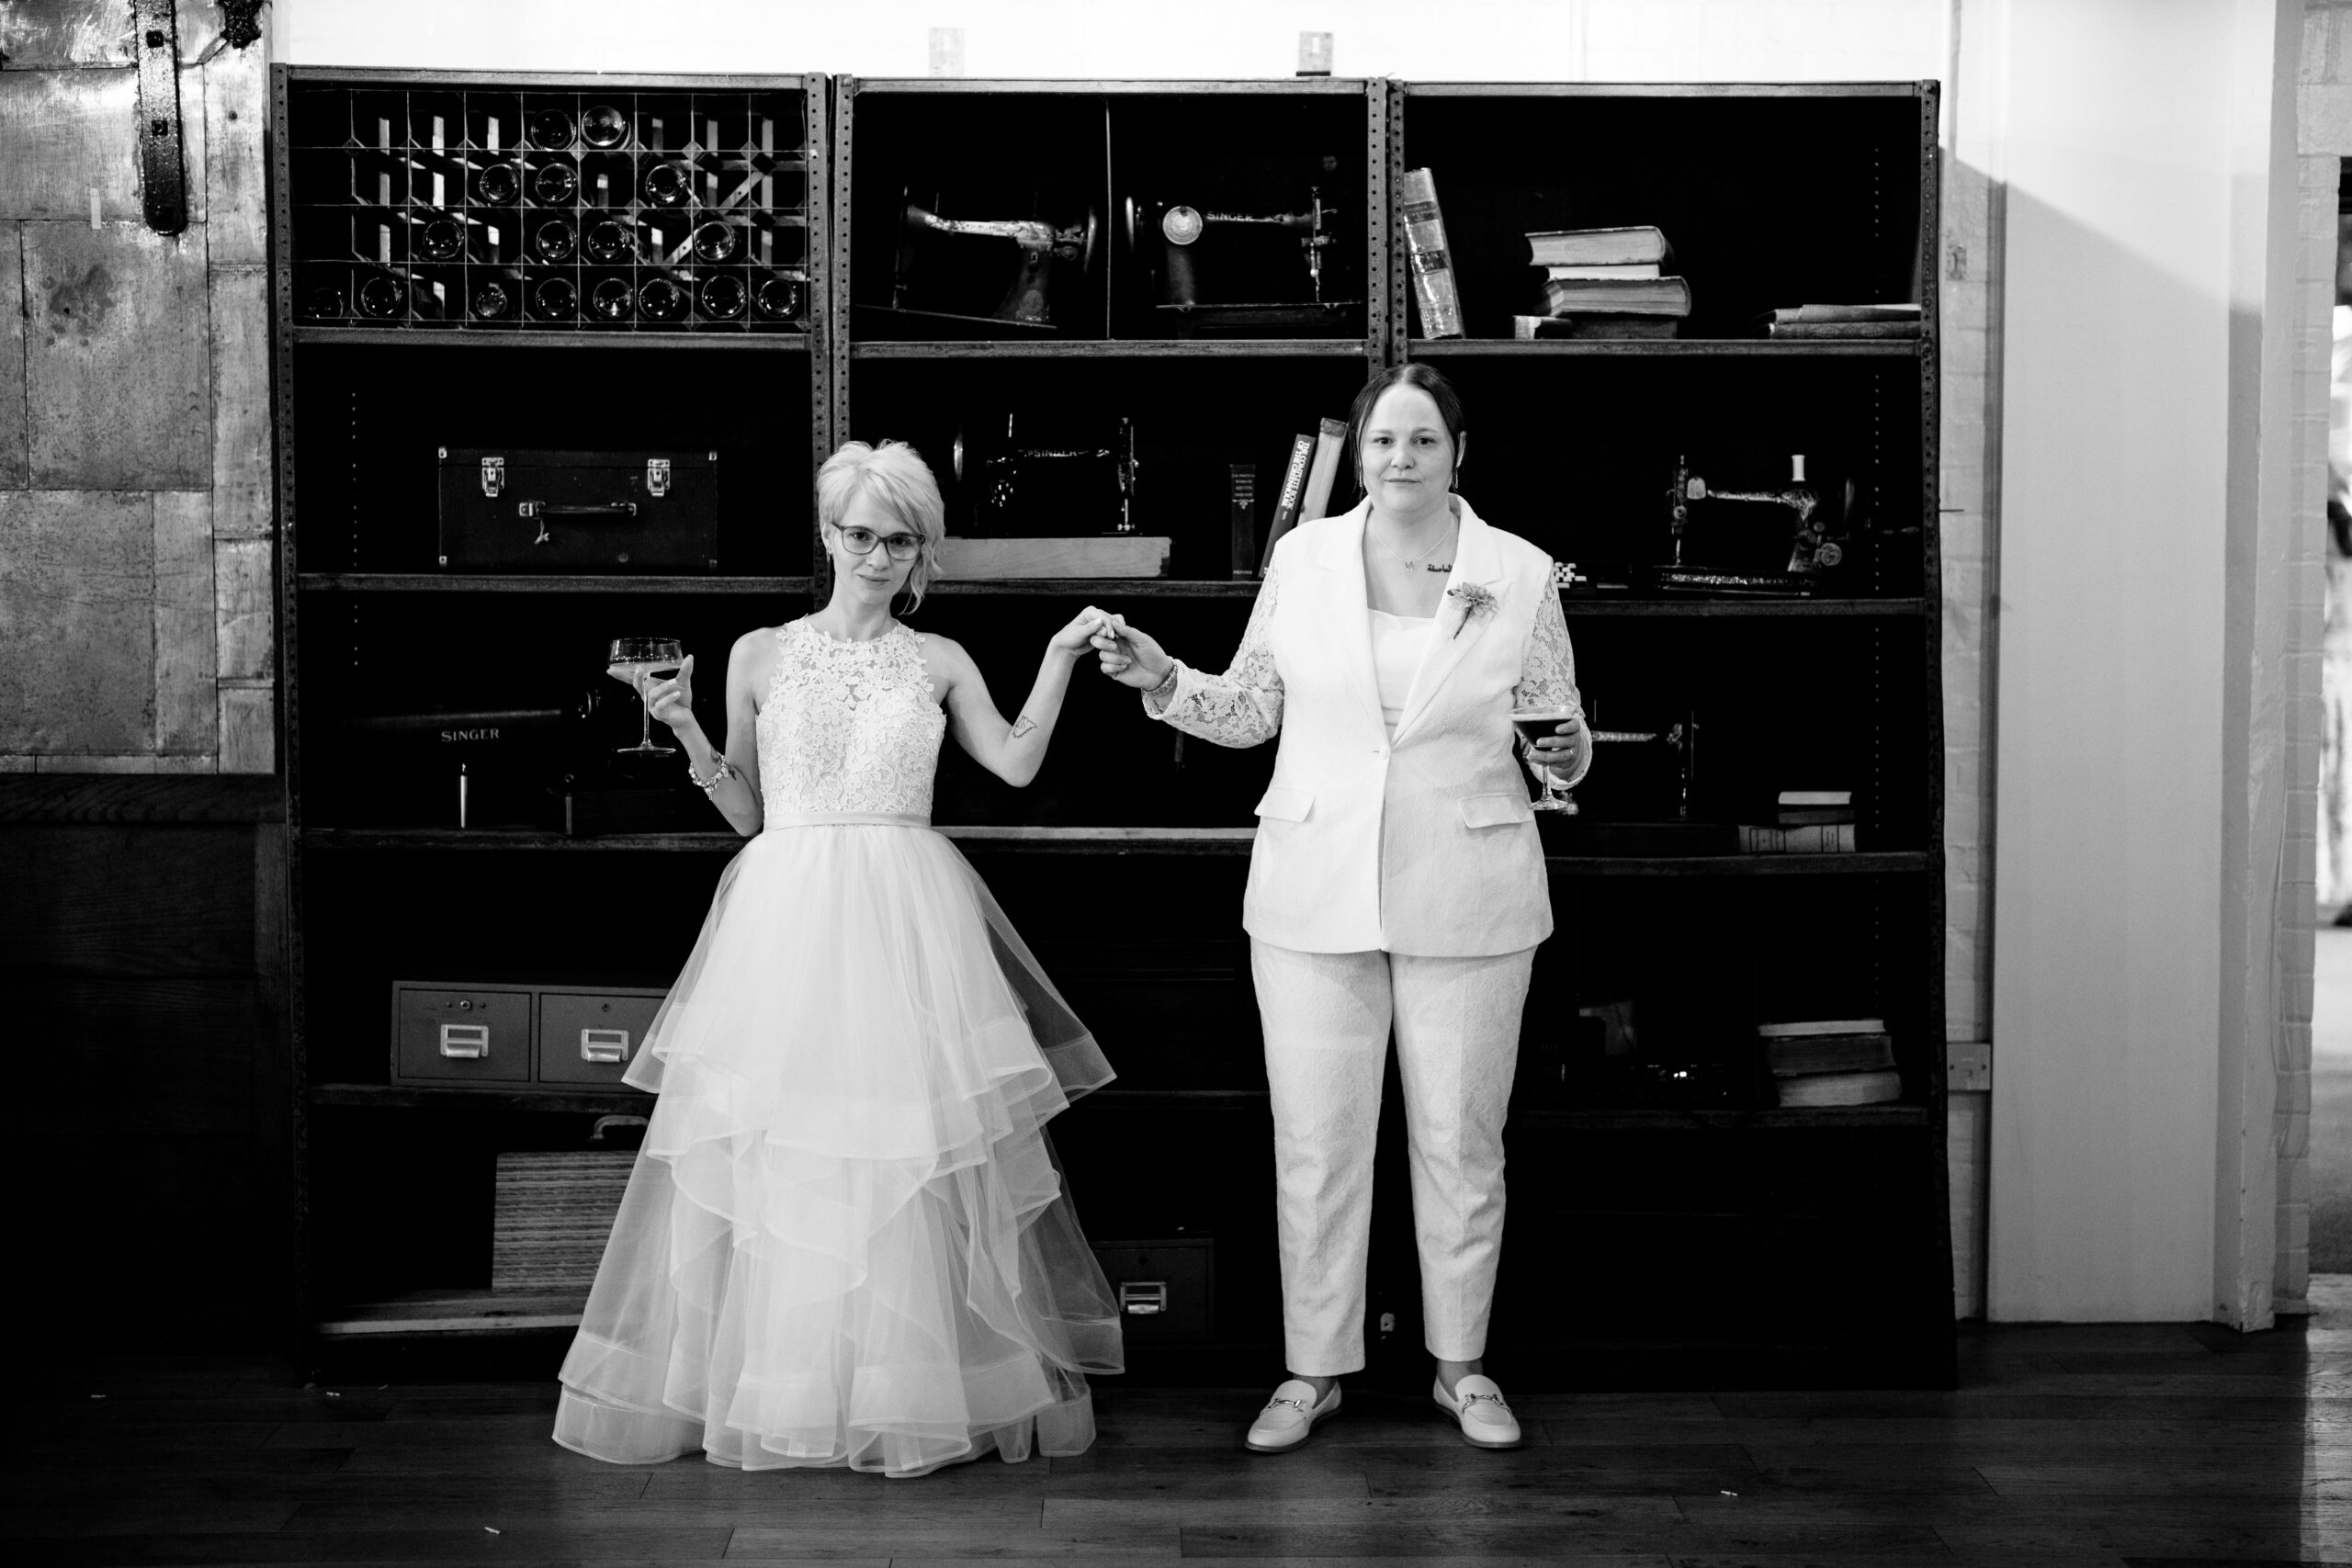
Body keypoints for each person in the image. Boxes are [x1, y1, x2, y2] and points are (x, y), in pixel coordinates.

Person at [552, 439, 1124, 1478]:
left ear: (923, 554)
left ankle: (904, 1389)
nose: (877, 555)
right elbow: (748, 814)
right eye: (860, 533)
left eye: (900, 539)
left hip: (908, 918)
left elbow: (1015, 760)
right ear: (827, 533)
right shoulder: (760, 653)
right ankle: (788, 1389)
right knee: (789, 1153)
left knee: (907, 1157)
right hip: (788, 911)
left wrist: (1055, 659)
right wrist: (682, 727)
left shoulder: (940, 660)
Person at [1091, 362, 1587, 1452]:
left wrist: (1565, 753)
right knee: (1316, 1142)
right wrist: (1162, 677)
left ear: (1461, 451)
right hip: (1314, 885)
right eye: (1380, 442)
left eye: (1421, 440)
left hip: (1470, 889)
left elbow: (1559, 727)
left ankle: (1462, 1368)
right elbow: (1250, 708)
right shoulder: (1303, 559)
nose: (1399, 459)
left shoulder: (1519, 570)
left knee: (1461, 1142)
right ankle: (1312, 1371)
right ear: (1356, 453)